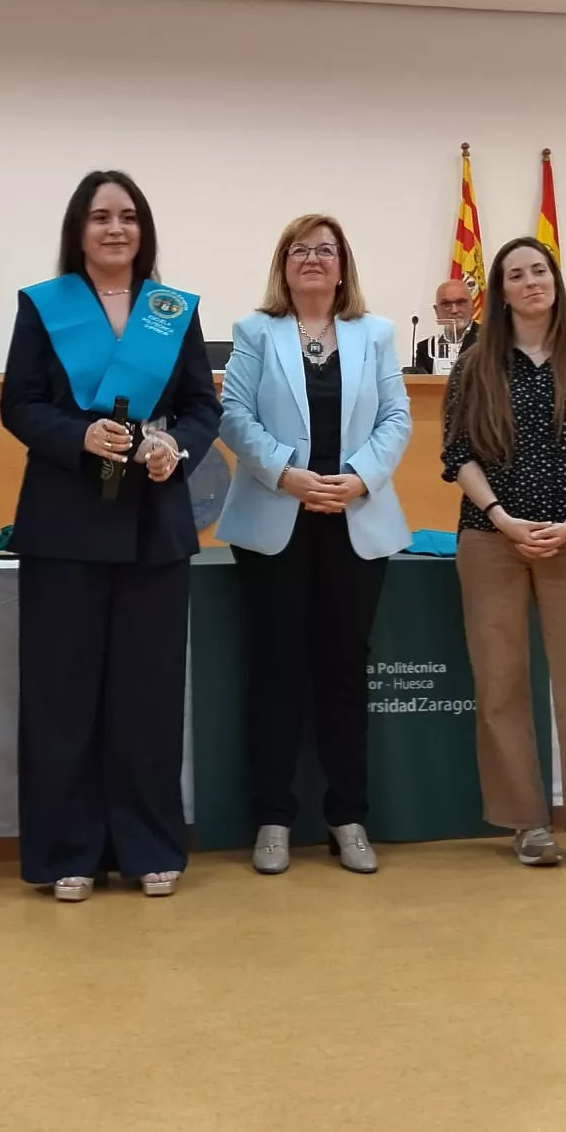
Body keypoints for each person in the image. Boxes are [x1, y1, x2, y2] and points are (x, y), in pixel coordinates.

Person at [0, 170, 221, 902]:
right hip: (64, 526)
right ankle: (67, 850)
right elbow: (19, 405)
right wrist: (78, 435)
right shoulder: (44, 306)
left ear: (143, 229)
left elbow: (201, 407)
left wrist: (175, 447)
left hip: (154, 527)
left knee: (147, 697)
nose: (115, 228)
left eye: (128, 216)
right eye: (100, 217)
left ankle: (149, 846)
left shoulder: (172, 311)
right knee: (62, 697)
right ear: (79, 229)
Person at [217, 214, 412, 876]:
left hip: (355, 519)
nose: (313, 259)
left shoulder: (374, 333)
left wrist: (358, 478)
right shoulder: (255, 331)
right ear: (284, 263)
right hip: (277, 518)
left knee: (343, 671)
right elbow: (233, 415)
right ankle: (272, 818)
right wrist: (285, 474)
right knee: (276, 669)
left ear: (342, 265)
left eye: (325, 250)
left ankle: (347, 816)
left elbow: (397, 417)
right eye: (300, 249)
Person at [443, 236, 566, 869]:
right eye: (515, 275)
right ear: (501, 292)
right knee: (501, 684)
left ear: (554, 282)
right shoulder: (475, 366)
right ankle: (526, 822)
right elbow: (456, 455)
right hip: (490, 539)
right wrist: (502, 517)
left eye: (539, 271)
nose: (530, 282)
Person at [414, 278, 478, 374]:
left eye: (460, 303)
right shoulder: (426, 348)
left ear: (472, 307)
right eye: (446, 305)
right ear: (437, 311)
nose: (454, 310)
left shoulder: (491, 340)